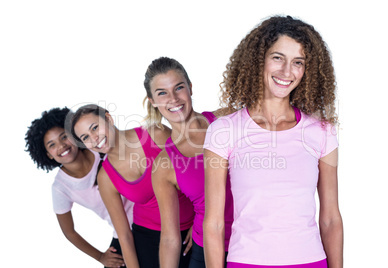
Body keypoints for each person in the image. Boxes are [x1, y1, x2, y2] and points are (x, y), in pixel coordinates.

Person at [203, 15, 343, 268]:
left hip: (310, 262)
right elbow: (213, 224)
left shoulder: (322, 132)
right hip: (246, 262)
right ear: (258, 61)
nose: (287, 72)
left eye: (298, 62)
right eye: (278, 58)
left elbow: (331, 218)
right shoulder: (223, 130)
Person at [70, 104, 194, 268]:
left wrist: (200, 221)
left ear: (108, 119)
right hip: (148, 237)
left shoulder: (155, 134)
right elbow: (124, 236)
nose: (94, 138)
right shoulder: (105, 177)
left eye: (95, 128)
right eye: (85, 137)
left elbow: (199, 176)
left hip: (191, 228)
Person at [148, 57, 233, 268]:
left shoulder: (226, 119)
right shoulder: (164, 165)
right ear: (153, 102)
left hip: (254, 242)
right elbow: (169, 237)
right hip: (205, 251)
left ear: (190, 88)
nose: (173, 98)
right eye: (162, 93)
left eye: (179, 88)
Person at [25, 107, 134, 268]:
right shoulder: (60, 188)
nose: (61, 146)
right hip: (123, 233)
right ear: (48, 154)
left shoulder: (99, 147)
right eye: (52, 145)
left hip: (149, 217)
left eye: (64, 137)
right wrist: (100, 257)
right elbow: (69, 232)